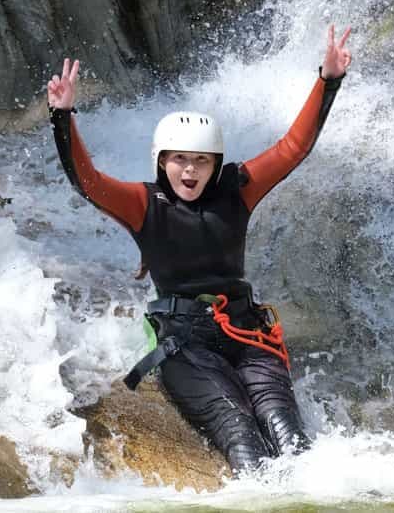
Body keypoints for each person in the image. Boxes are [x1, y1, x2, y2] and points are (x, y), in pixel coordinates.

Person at [48, 25, 352, 471]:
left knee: (289, 439)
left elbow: (293, 148)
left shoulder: (237, 191)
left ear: (215, 165)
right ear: (162, 161)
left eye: (201, 161)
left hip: (249, 335)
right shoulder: (143, 204)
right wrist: (63, 116)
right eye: (179, 159)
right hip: (185, 344)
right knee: (242, 437)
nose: (189, 170)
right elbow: (87, 181)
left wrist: (327, 81)